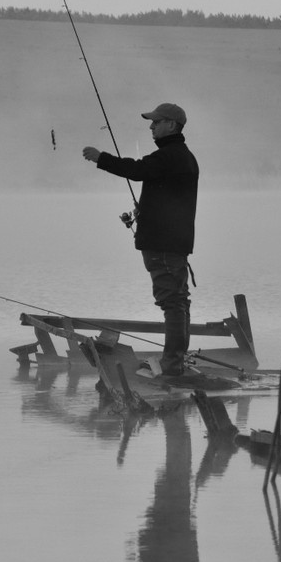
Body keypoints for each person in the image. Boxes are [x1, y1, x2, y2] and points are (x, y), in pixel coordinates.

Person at [82, 103, 198, 377]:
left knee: (172, 303)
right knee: (179, 302)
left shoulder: (169, 156)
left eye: (156, 122)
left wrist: (101, 158)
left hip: (163, 245)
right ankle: (176, 361)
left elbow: (136, 171)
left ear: (171, 124)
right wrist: (145, 210)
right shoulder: (182, 156)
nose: (151, 126)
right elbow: (167, 195)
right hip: (174, 243)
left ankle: (171, 366)